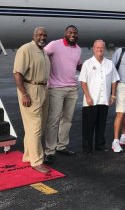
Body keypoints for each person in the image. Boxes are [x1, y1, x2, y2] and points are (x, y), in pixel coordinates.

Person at [13, 27, 51, 173]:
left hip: (43, 89)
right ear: (33, 35)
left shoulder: (43, 51)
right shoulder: (26, 49)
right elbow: (17, 73)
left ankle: (29, 155)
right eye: (40, 34)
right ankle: (37, 161)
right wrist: (24, 94)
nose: (42, 37)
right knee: (35, 127)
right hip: (30, 90)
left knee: (37, 126)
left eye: (45, 35)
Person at [43, 25, 82, 164]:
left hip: (72, 89)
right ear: (65, 33)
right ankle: (49, 151)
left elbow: (78, 66)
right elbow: (42, 54)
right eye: (70, 32)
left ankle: (62, 146)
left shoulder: (78, 49)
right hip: (56, 88)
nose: (73, 35)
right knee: (53, 120)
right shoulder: (55, 45)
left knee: (67, 119)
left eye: (75, 33)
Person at [79, 40, 120, 155]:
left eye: (102, 47)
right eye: (97, 47)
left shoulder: (109, 63)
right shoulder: (87, 63)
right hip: (91, 100)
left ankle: (99, 145)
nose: (100, 49)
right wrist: (87, 96)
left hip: (104, 100)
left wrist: (113, 95)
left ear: (104, 48)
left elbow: (114, 80)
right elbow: (83, 82)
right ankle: (87, 148)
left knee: (101, 124)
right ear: (93, 48)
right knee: (88, 126)